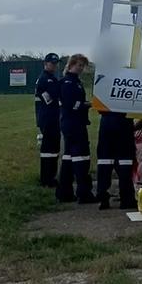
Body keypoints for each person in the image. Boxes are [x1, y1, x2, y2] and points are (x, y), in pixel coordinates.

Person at [56, 54, 98, 204]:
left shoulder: (75, 82)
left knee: (68, 158)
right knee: (81, 157)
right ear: (71, 65)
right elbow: (71, 104)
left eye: (83, 66)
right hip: (73, 124)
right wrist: (87, 104)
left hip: (73, 123)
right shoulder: (68, 83)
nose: (81, 68)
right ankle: (83, 192)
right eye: (79, 65)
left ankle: (64, 192)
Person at [94, 111, 137, 209]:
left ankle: (102, 197)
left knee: (104, 161)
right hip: (124, 121)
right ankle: (126, 199)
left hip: (106, 122)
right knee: (125, 162)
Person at [33, 53, 62, 187]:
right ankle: (46, 178)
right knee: (48, 149)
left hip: (54, 117)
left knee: (54, 148)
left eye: (56, 63)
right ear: (45, 63)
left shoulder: (52, 78)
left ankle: (51, 176)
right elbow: (49, 99)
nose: (54, 66)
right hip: (47, 117)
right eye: (52, 63)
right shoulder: (44, 79)